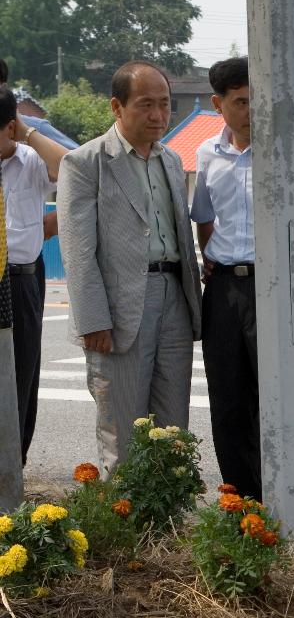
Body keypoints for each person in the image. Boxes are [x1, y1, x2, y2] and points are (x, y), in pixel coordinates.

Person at [189, 57, 294, 500]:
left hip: (277, 288)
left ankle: (288, 497)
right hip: (224, 289)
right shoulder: (208, 153)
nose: (251, 110)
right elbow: (203, 216)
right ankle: (241, 501)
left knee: (278, 397)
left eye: (257, 100)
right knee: (228, 400)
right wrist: (210, 257)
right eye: (241, 102)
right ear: (218, 104)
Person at [58, 61, 202, 470]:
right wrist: (92, 319)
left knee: (173, 425)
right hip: (118, 309)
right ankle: (124, 525)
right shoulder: (85, 163)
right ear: (117, 108)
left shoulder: (171, 160)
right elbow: (78, 250)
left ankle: (166, 525)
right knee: (121, 424)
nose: (158, 116)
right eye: (146, 105)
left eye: (165, 104)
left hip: (174, 295)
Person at [1, 87, 68, 465]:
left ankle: (13, 469)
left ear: (10, 127)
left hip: (20, 279)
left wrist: (27, 132)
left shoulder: (31, 161)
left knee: (21, 373)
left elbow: (77, 174)